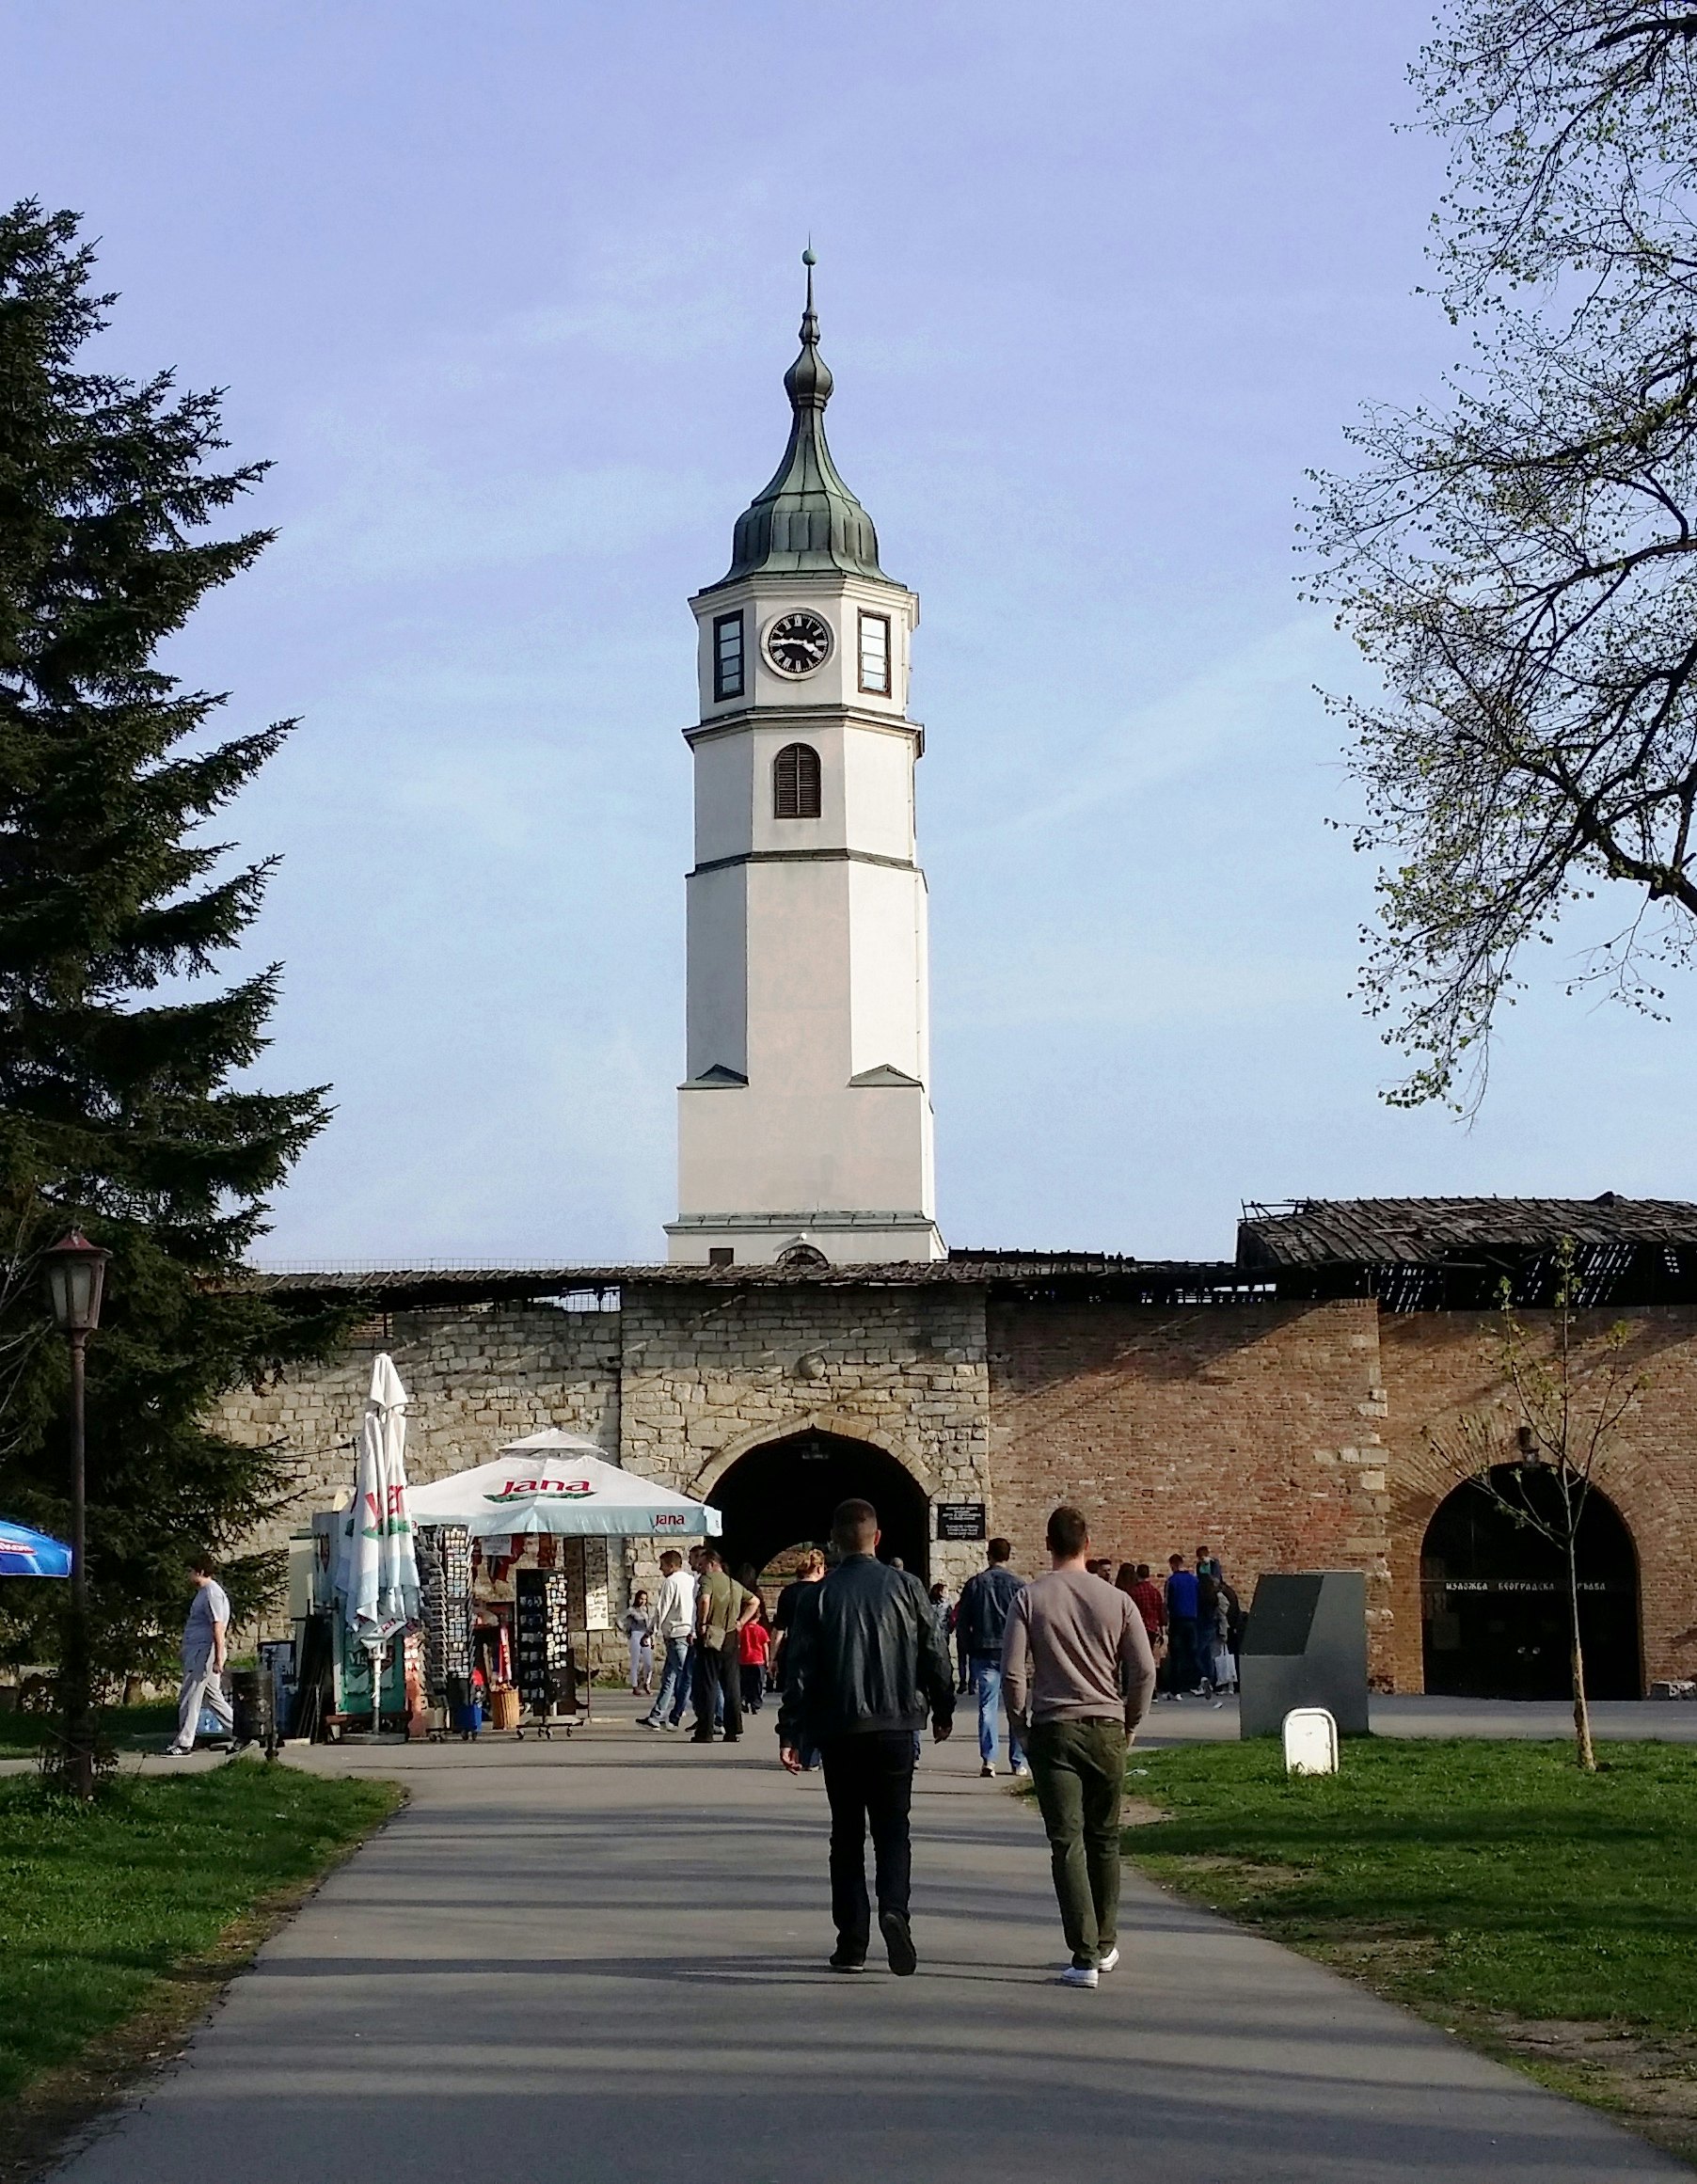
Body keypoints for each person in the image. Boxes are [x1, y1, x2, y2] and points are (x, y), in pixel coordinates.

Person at [778, 1498, 956, 1974]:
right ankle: (895, 1910)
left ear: (833, 1544)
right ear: (877, 1538)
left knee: (847, 1834)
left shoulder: (818, 1596)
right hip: (897, 1724)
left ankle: (852, 1942)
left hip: (841, 1728)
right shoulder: (907, 1586)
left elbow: (799, 1670)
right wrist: (942, 1708)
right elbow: (933, 1650)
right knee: (894, 1829)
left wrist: (791, 1731)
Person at [1003, 1506, 1156, 1988]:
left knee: (1066, 1841)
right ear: (1087, 1545)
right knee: (1105, 1837)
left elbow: (1012, 1673)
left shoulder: (1030, 1598)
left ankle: (1084, 1955)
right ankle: (1106, 1942)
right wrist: (1130, 1723)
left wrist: (1020, 1725)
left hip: (1054, 1727)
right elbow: (1145, 1671)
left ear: (1048, 1544)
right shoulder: (1118, 1600)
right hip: (1107, 1723)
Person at [956, 1537, 1027, 1778]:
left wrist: (968, 1650)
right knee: (1016, 1708)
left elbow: (963, 1622)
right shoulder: (1019, 1586)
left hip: (984, 1651)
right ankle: (1018, 1761)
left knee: (987, 1707)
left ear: (989, 1555)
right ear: (1008, 1556)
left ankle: (989, 1759)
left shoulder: (976, 1584)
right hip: (1012, 1653)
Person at [167, 1557, 233, 1755]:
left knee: (190, 1694)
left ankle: (184, 1742)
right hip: (197, 1650)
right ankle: (243, 1731)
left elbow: (218, 1625)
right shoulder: (203, 1593)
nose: (188, 1575)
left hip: (204, 1651)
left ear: (201, 1572)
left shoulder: (212, 1593)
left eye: (191, 1571)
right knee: (213, 1697)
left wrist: (219, 1656)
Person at [691, 1546, 759, 1744]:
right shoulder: (734, 1584)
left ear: (712, 1563)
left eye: (702, 1564)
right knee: (731, 1684)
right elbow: (754, 1601)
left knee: (708, 1684)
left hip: (712, 1635)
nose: (700, 1568)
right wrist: (741, 1622)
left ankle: (705, 1731)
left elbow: (704, 1600)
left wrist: (702, 1623)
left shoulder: (707, 1580)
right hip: (731, 1637)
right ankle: (733, 1730)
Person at [772, 1548, 827, 1768]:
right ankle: (812, 1753)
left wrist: (772, 1657)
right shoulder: (825, 1591)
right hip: (821, 1653)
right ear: (820, 1568)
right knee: (819, 1703)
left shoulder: (789, 1593)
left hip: (794, 1651)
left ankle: (795, 1746)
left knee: (796, 1700)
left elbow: (778, 1628)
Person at [642, 1549, 697, 1730]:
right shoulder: (691, 1580)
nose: (660, 1568)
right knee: (669, 1676)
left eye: (663, 1565)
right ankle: (656, 1715)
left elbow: (662, 1609)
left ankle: (705, 1713)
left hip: (675, 1633)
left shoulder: (671, 1582)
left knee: (685, 1677)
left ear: (671, 1565)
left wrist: (650, 1631)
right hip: (687, 1630)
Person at [1163, 1552, 1199, 1699]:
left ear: (1172, 1565)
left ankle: (1175, 1690)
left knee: (1176, 1655)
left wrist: (1166, 1621)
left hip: (1177, 1620)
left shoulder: (1171, 1581)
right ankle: (1196, 1683)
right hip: (1192, 1619)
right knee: (1192, 1652)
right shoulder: (1194, 1580)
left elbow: (1167, 1603)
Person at [739, 1603, 771, 1713]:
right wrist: (767, 1660)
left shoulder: (743, 1630)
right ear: (758, 1616)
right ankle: (755, 1703)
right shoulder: (761, 1630)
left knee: (745, 1682)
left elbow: (739, 1644)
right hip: (758, 1660)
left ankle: (745, 1700)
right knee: (757, 1684)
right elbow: (765, 1646)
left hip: (744, 1660)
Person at [625, 1590, 655, 1695]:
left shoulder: (647, 1610)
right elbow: (619, 1619)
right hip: (636, 1634)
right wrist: (627, 1631)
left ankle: (647, 1682)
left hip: (646, 1636)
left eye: (645, 1599)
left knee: (649, 1663)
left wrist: (653, 1639)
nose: (643, 1601)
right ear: (637, 1598)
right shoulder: (632, 1610)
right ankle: (635, 1685)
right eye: (641, 1598)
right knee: (635, 1662)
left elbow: (651, 1625)